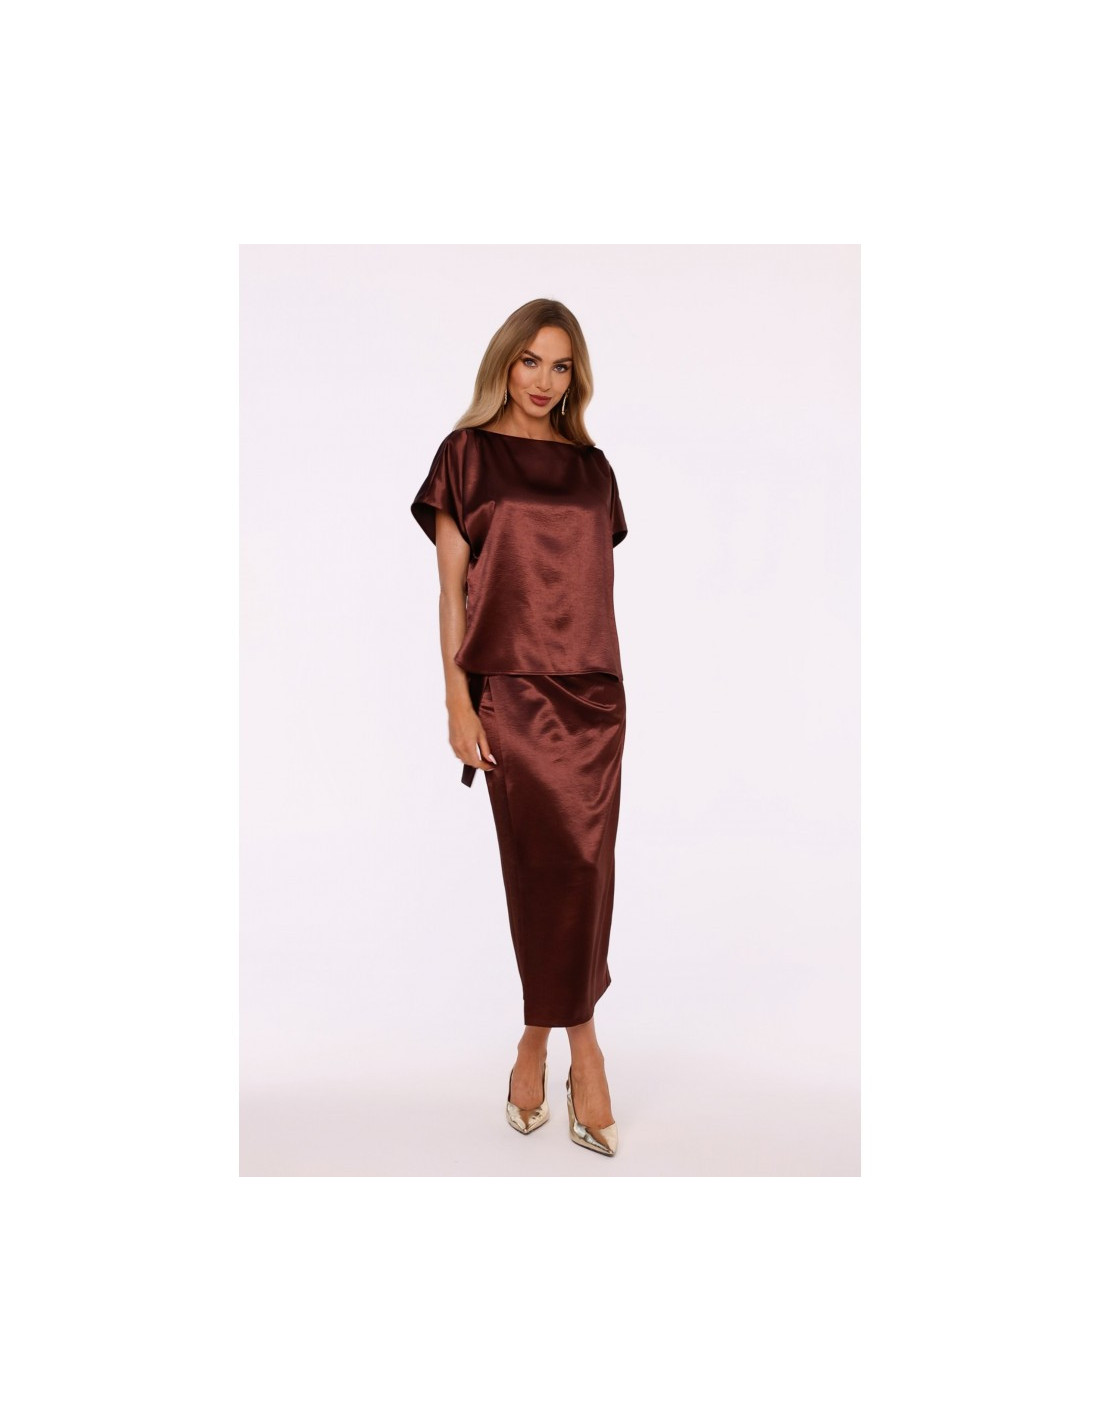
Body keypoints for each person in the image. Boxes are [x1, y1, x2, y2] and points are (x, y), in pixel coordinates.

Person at [410, 298, 629, 1158]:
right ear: (505, 361)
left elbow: (585, 583)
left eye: (561, 365)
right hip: (511, 691)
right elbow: (452, 590)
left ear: (577, 376)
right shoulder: (465, 455)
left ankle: (535, 1042)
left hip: (595, 698)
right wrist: (458, 700)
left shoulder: (594, 469)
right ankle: (585, 1049)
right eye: (530, 360)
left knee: (588, 872)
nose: (544, 380)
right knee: (543, 870)